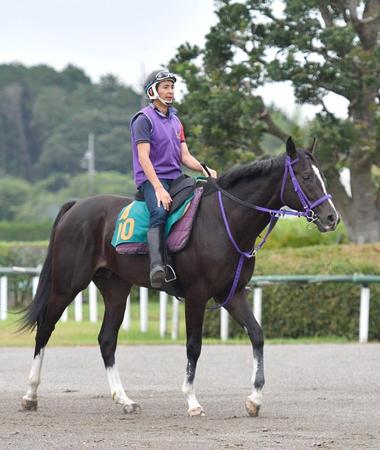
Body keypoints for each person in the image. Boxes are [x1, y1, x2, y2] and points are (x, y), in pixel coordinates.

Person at [130, 70, 217, 288]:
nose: (170, 92)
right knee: (159, 211)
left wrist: (205, 170)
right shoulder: (143, 120)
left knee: (204, 196)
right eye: (165, 87)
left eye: (172, 87)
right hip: (151, 180)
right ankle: (157, 266)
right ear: (153, 91)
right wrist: (158, 188)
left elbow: (185, 156)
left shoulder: (176, 121)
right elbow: (143, 157)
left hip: (176, 178)